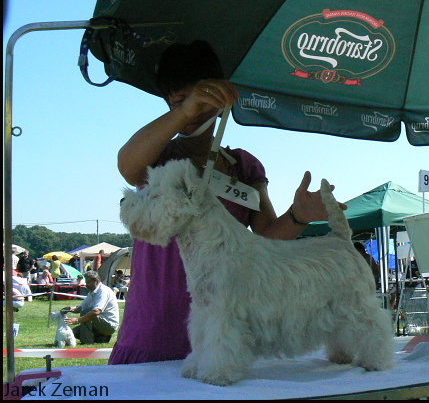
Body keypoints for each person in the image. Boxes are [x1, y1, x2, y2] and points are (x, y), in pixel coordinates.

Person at [109, 40, 344, 365]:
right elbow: (127, 165)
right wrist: (184, 111)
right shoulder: (160, 156)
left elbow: (264, 241)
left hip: (224, 335)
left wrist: (297, 216)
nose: (194, 111)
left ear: (221, 99)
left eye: (204, 99)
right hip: (151, 335)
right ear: (168, 103)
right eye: (179, 101)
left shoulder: (244, 167)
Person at [62, 271, 119, 344]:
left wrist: (78, 320)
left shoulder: (103, 291)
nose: (86, 285)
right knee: (74, 333)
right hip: (100, 323)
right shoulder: (92, 292)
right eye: (86, 283)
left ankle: (87, 342)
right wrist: (68, 309)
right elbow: (80, 308)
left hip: (109, 325)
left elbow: (96, 311)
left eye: (88, 283)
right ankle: (102, 337)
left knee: (86, 312)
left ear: (97, 281)